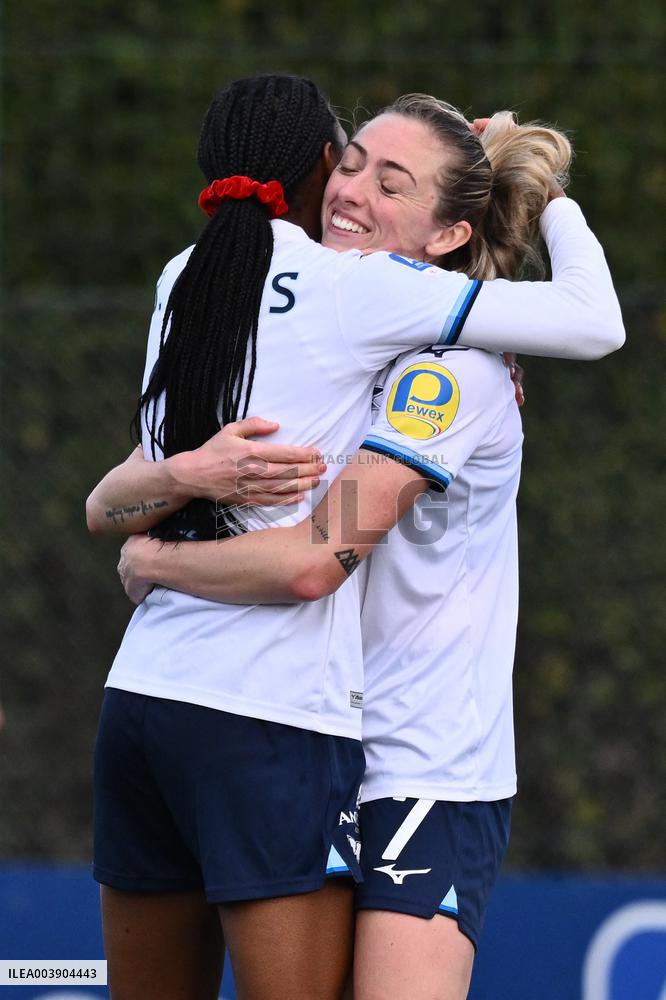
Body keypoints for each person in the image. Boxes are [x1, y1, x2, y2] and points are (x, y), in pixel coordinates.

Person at [89, 78, 624, 1000]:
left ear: (450, 235)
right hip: (321, 737)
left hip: (419, 767)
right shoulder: (326, 321)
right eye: (348, 163)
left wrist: (154, 559)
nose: (350, 191)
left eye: (392, 182)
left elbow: (312, 557)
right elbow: (125, 485)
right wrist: (165, 487)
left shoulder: (448, 371)